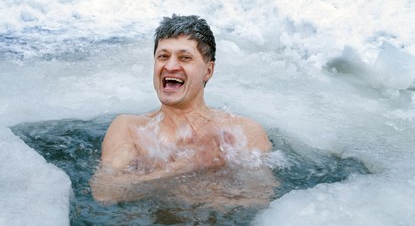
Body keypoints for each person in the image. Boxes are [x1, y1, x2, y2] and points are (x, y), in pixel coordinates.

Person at [90, 14, 277, 208]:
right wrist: (185, 167)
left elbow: (260, 199)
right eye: (163, 56)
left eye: (184, 58)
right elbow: (104, 192)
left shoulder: (244, 131)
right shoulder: (131, 128)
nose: (170, 66)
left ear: (208, 70)